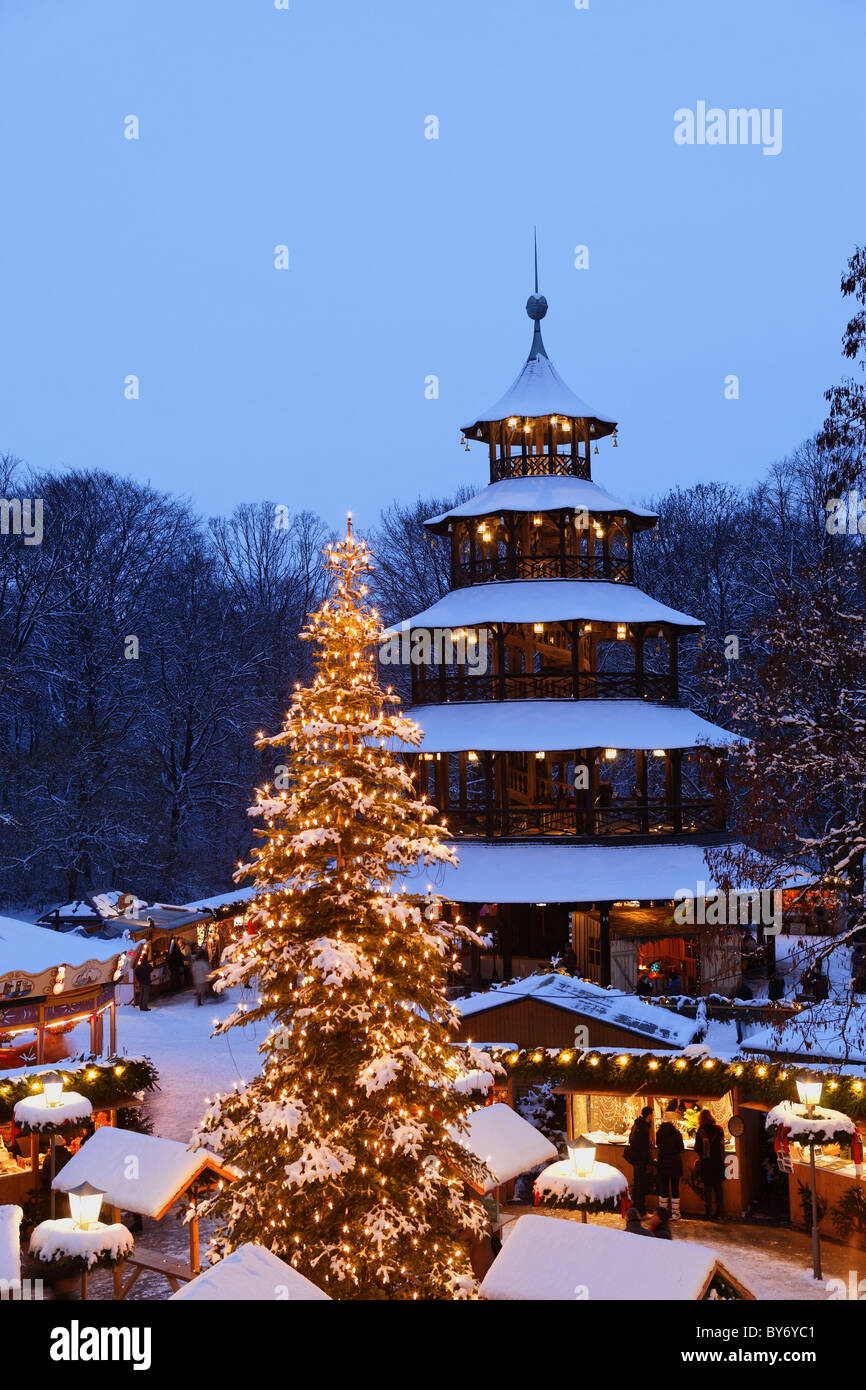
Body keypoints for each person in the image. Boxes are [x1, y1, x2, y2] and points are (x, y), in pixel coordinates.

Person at [655, 1099, 685, 1220]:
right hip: (675, 1164)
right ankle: (675, 1213)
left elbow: (658, 1145)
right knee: (675, 1187)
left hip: (663, 1163)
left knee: (663, 1187)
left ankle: (662, 1213)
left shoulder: (659, 1134)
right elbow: (681, 1148)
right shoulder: (677, 1134)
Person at [694, 1109, 726, 1220]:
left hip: (707, 1162)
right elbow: (723, 1145)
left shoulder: (701, 1132)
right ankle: (719, 1212)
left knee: (707, 1187)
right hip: (718, 1162)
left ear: (700, 1119)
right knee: (718, 1187)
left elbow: (697, 1148)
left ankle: (707, 1212)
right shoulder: (720, 1129)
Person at [627, 1105, 654, 1216]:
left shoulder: (637, 1125)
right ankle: (641, 1210)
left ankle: (637, 1208)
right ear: (649, 1115)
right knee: (640, 1185)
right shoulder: (643, 1128)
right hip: (640, 1160)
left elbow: (630, 1139)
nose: (653, 1117)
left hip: (636, 1160)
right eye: (652, 1114)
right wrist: (647, 1162)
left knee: (637, 1184)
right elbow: (644, 1148)